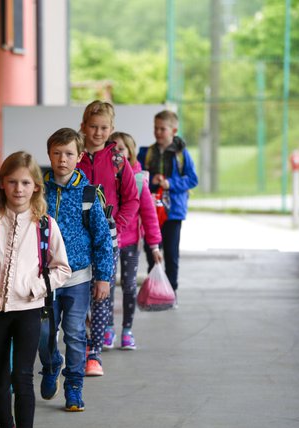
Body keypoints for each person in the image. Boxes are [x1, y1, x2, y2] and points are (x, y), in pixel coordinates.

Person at [0, 151, 71, 428]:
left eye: (26, 183)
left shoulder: (45, 225)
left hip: (29, 310)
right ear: (2, 184)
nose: (19, 189)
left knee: (23, 377)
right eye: (13, 182)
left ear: (36, 188)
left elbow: (62, 269)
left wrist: (37, 287)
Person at [37, 128, 113, 411]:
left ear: (79, 156)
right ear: (49, 155)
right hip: (44, 280)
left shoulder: (88, 193)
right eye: (57, 153)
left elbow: (102, 238)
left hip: (78, 278)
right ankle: (51, 364)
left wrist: (103, 277)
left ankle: (73, 387)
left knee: (74, 334)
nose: (62, 159)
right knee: (44, 334)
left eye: (69, 154)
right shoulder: (38, 191)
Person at [76, 100, 139, 376]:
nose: (98, 132)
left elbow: (132, 199)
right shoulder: (73, 157)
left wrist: (120, 227)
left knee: (102, 294)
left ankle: (94, 354)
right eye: (93, 126)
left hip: (107, 241)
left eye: (104, 127)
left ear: (111, 129)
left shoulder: (118, 161)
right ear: (83, 127)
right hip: (75, 240)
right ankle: (77, 345)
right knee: (76, 295)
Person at [137, 110, 198, 305]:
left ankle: (171, 293)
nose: (158, 132)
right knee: (151, 250)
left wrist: (170, 184)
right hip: (151, 212)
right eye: (156, 128)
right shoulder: (146, 153)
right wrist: (152, 181)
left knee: (171, 254)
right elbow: (137, 177)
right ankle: (154, 291)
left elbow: (192, 179)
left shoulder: (181, 155)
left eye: (162, 129)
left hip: (173, 213)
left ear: (174, 130)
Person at [109, 131, 163, 349]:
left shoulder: (139, 181)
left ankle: (127, 330)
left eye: (121, 149)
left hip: (131, 243)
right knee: (106, 286)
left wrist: (154, 246)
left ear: (131, 153)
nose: (116, 153)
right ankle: (106, 329)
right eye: (112, 149)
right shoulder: (105, 178)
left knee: (130, 286)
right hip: (108, 244)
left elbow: (149, 216)